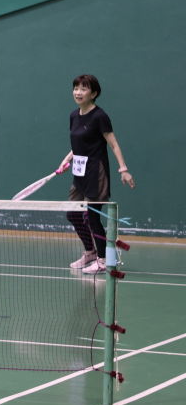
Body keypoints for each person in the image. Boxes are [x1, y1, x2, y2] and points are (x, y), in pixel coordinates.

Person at [55, 74, 135, 274]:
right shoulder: (73, 116)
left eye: (83, 89)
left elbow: (113, 144)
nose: (78, 92)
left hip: (96, 172)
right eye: (76, 88)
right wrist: (67, 159)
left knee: (92, 217)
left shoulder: (100, 116)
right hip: (79, 172)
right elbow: (80, 144)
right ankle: (90, 252)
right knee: (73, 214)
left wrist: (123, 169)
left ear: (94, 93)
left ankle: (102, 260)